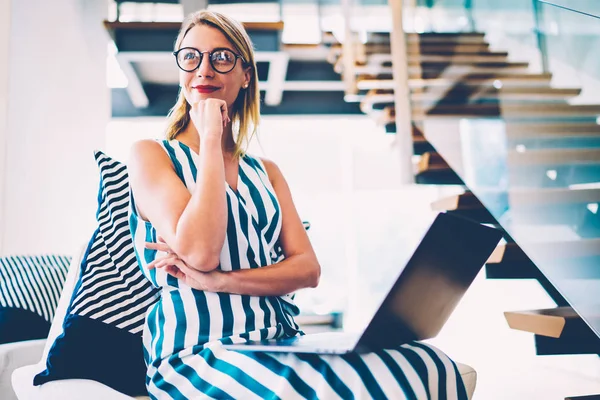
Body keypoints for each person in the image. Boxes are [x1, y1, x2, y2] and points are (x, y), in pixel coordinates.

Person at [128, 9, 468, 399]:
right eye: (191, 57)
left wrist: (222, 282)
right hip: (199, 351)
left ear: (245, 75)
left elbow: (306, 270)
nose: (204, 69)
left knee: (427, 362)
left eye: (221, 58)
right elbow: (200, 251)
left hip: (278, 340)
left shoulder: (266, 172)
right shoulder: (152, 155)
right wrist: (209, 138)